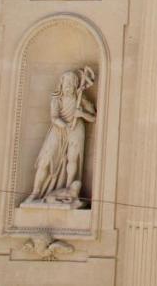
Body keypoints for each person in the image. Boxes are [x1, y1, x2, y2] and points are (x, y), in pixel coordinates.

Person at [26, 67, 97, 209]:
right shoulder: (57, 99)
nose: (69, 86)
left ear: (76, 84)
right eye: (66, 82)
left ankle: (69, 192)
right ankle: (36, 192)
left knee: (73, 159)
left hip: (76, 129)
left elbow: (93, 117)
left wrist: (81, 114)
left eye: (72, 82)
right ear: (62, 84)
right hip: (59, 129)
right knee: (45, 160)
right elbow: (54, 117)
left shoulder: (80, 98)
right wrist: (64, 125)